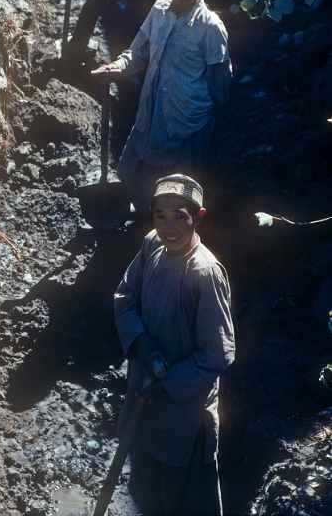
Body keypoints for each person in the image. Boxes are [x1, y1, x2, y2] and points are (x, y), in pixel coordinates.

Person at [114, 173, 235, 516]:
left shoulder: (204, 273)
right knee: (145, 484)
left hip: (185, 410)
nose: (169, 226)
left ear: (198, 217)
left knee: (185, 496)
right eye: (160, 215)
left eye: (180, 216)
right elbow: (125, 296)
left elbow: (218, 353)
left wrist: (166, 379)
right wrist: (143, 345)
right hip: (144, 389)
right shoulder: (152, 244)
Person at [92, 0, 231, 218]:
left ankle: (172, 233)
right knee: (138, 168)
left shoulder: (211, 27)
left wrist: (216, 118)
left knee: (178, 186)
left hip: (188, 117)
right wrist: (117, 66)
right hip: (154, 107)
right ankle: (141, 214)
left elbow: (220, 79)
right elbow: (139, 51)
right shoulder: (159, 9)